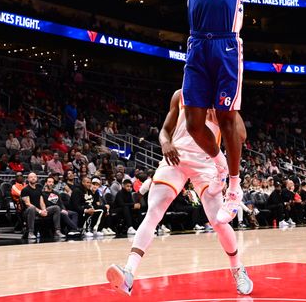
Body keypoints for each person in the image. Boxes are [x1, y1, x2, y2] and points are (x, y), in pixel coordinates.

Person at [106, 89, 253, 296]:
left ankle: (237, 268)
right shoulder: (180, 95)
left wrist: (222, 113)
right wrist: (165, 143)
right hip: (176, 159)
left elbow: (241, 135)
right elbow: (165, 130)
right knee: (154, 212)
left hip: (207, 164)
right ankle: (128, 273)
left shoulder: (221, 97)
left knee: (218, 222)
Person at [181, 0, 257, 224]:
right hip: (197, 44)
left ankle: (235, 188)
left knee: (227, 119)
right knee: (195, 124)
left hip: (226, 46)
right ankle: (220, 164)